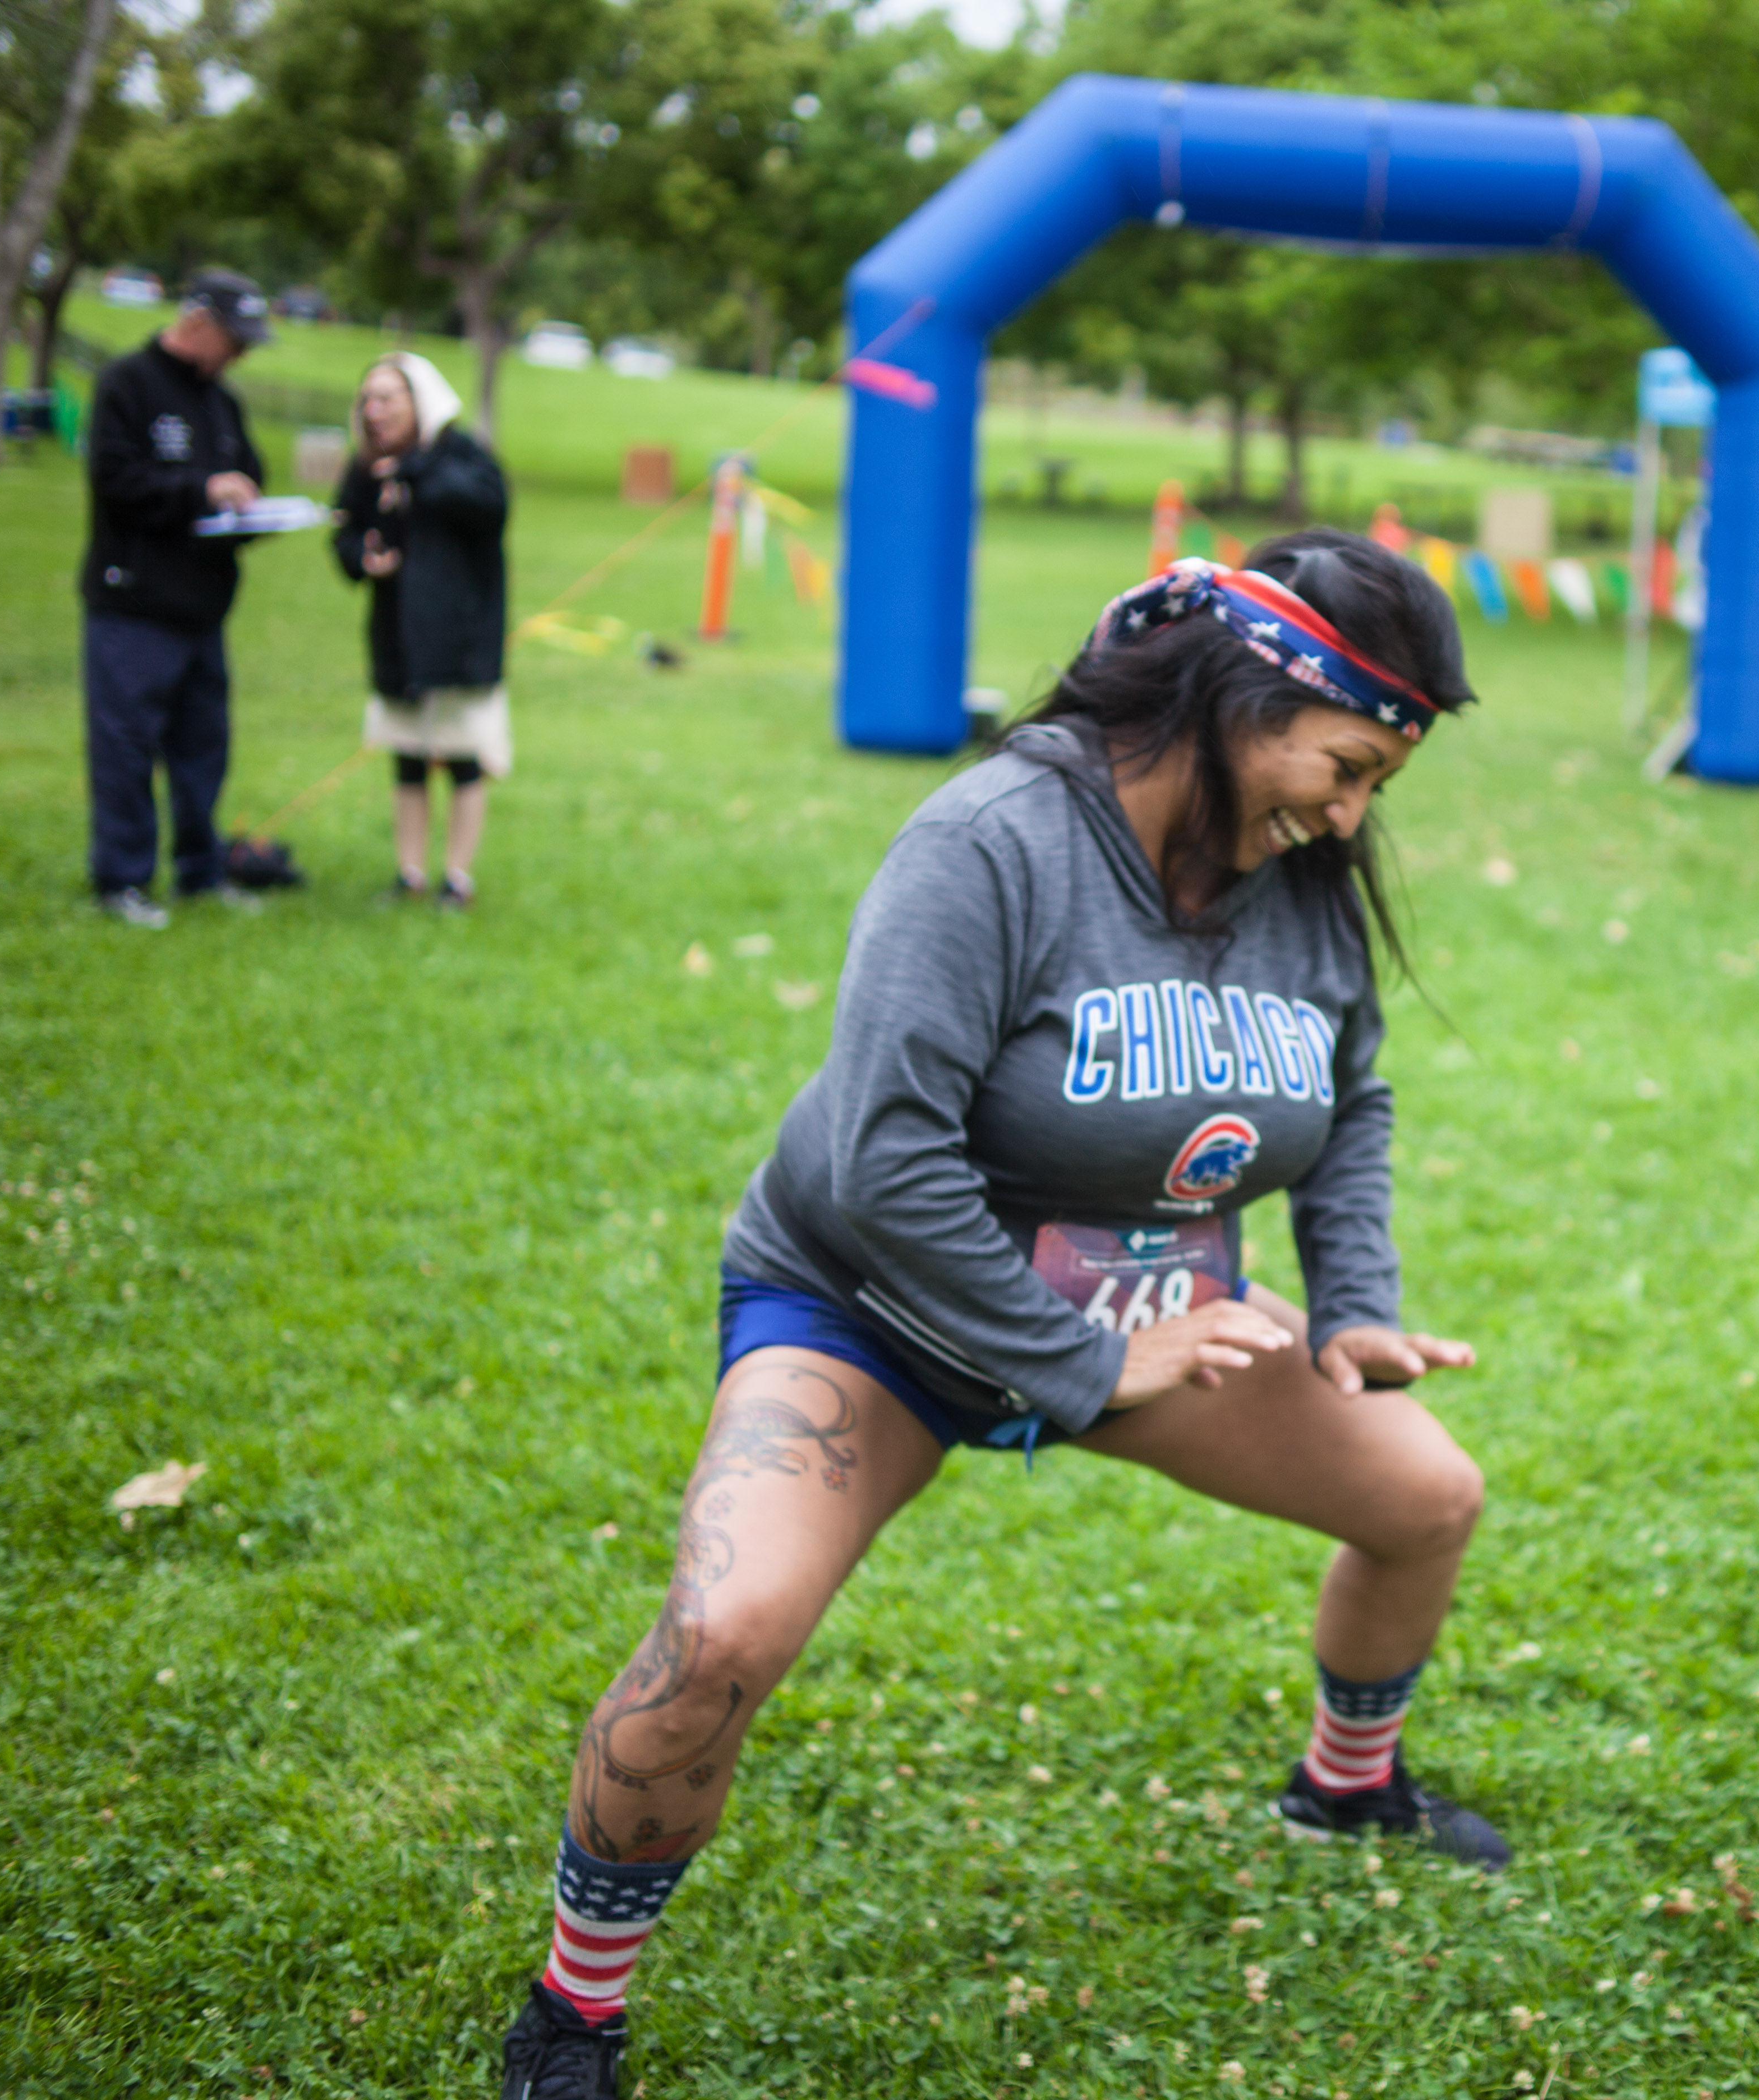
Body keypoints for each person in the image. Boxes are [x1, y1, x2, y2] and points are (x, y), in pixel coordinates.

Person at [494, 531, 1496, 2099]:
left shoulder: (1301, 883)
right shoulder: (991, 840)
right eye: (1347, 764)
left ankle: (1345, 1787)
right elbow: (882, 1160)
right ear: (1246, 696)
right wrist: (1087, 1361)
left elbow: (1348, 1097)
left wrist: (1352, 1307)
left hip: (1144, 1308)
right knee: (723, 1633)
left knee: (1429, 1496)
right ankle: (575, 2006)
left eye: (1380, 782)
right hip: (875, 1311)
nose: (1352, 814)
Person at [77, 268, 273, 927]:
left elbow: (248, 476)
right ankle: (122, 880)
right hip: (133, 608)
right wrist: (202, 491)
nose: (241, 354)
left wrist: (255, 512)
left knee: (203, 752)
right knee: (126, 748)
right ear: (197, 322)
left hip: (203, 610)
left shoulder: (223, 402)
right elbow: (115, 481)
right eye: (235, 339)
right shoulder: (128, 385)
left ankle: (201, 872)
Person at [331, 352, 512, 908]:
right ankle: (409, 873)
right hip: (397, 635)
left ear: (419, 400)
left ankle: (458, 878)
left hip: (460, 636)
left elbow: (490, 505)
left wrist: (415, 472)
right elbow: (345, 530)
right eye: (368, 399)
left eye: (388, 398)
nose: (375, 410)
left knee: (462, 757)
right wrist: (362, 558)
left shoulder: (460, 455)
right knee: (407, 755)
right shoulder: (367, 466)